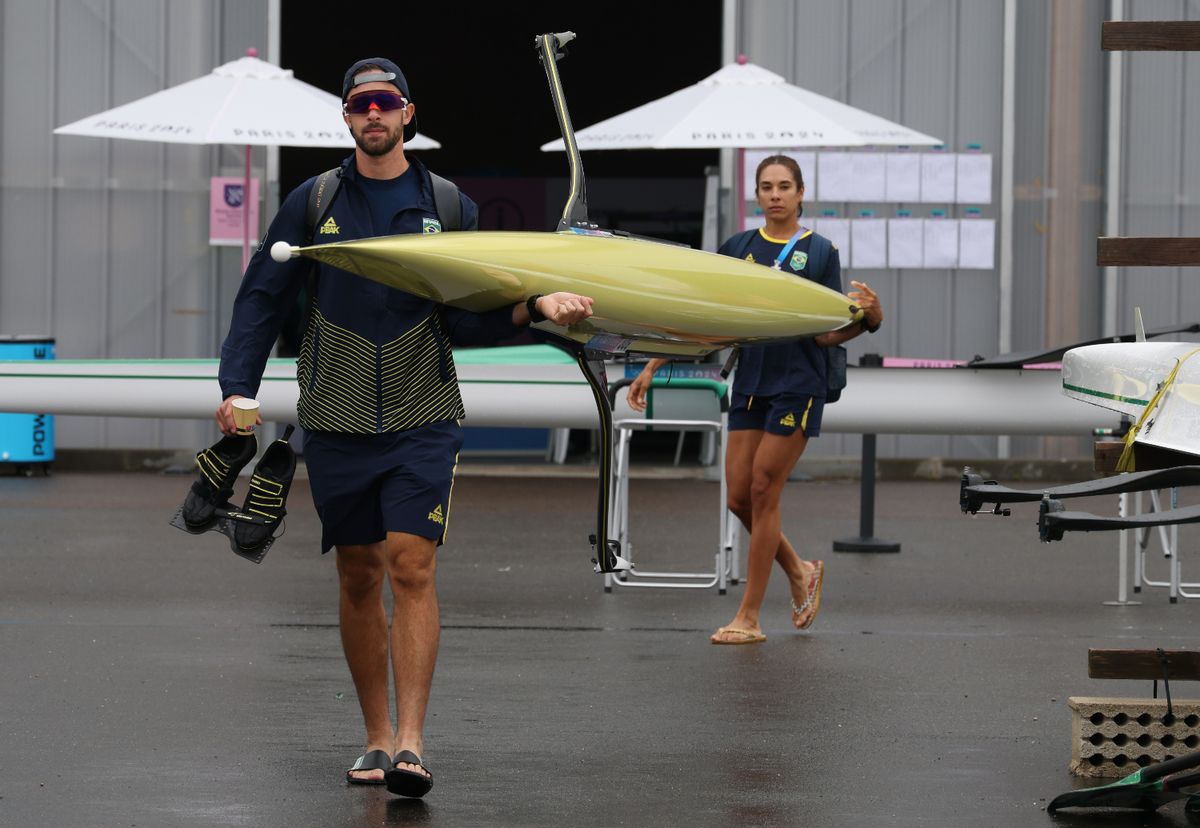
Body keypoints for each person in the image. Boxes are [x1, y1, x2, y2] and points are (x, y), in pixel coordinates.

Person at [214, 57, 593, 796]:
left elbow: (471, 313)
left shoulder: (448, 205)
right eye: (360, 104)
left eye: (386, 102)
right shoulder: (312, 200)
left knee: (412, 564)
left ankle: (414, 745)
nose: (374, 113)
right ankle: (376, 740)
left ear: (409, 114)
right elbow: (262, 297)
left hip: (424, 413)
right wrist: (237, 387)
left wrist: (537, 308)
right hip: (336, 414)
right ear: (347, 117)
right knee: (358, 575)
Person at [628, 154, 882, 645]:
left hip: (799, 384)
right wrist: (654, 364)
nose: (775, 194)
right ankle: (801, 570)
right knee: (739, 497)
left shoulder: (820, 251)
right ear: (757, 194)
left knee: (765, 489)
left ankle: (749, 616)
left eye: (785, 186)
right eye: (767, 186)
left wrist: (873, 318)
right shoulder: (737, 248)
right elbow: (709, 318)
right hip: (749, 383)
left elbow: (829, 332)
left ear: (801, 193)